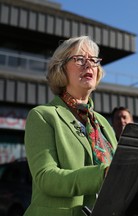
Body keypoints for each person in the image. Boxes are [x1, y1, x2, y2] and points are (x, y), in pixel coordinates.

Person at [24, 36, 118, 216]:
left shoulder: (103, 123)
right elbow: (46, 177)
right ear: (61, 68)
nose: (89, 65)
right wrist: (102, 174)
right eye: (80, 59)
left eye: (93, 60)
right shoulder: (43, 115)